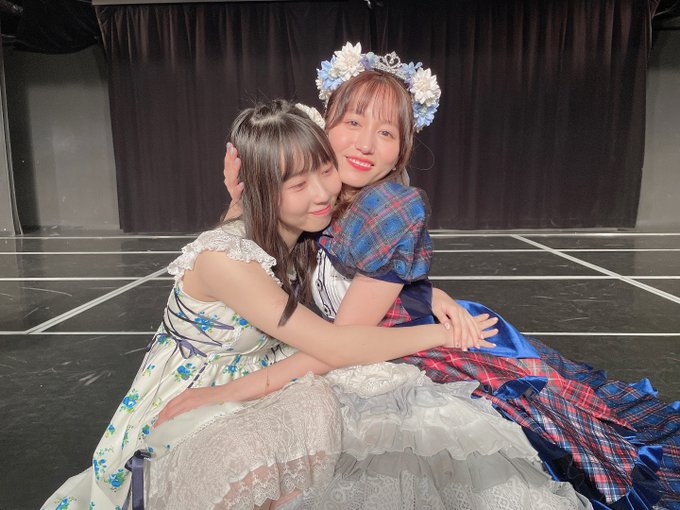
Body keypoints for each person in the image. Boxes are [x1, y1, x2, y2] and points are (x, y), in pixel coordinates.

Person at [221, 43, 680, 510]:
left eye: (386, 132)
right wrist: (241, 202)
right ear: (325, 126)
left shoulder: (390, 206)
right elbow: (253, 262)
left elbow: (340, 342)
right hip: (370, 340)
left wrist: (232, 393)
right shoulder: (321, 196)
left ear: (401, 150)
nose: (366, 144)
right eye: (353, 122)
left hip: (419, 350)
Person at [41, 100, 469, 510]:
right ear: (264, 191)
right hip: (196, 391)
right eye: (298, 185)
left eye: (326, 170)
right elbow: (336, 345)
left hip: (262, 375)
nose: (323, 193)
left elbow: (360, 269)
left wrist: (426, 293)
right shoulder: (226, 259)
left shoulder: (302, 228)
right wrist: (441, 334)